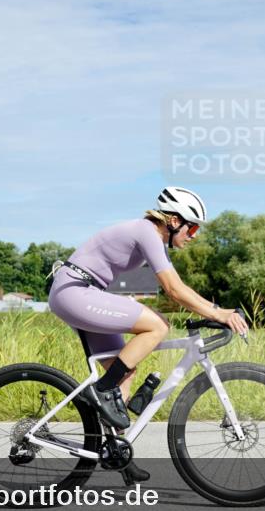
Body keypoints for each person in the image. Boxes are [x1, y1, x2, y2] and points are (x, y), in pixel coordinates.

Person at [48, 186, 249, 485]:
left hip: (83, 292)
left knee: (124, 373)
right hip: (75, 291)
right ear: (174, 221)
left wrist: (215, 310)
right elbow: (174, 290)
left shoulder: (151, 238)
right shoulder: (147, 232)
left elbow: (175, 287)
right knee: (158, 326)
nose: (194, 236)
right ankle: (101, 391)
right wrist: (218, 313)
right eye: (192, 228)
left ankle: (119, 454)